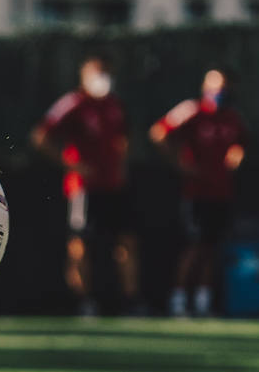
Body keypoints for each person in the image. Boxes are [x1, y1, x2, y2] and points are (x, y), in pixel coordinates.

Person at [30, 55, 142, 316]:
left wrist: (121, 163)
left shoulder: (115, 105)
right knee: (80, 244)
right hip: (84, 188)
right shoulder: (73, 104)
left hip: (115, 186)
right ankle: (84, 302)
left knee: (126, 242)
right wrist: (72, 166)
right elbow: (40, 137)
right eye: (96, 73)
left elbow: (125, 138)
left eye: (106, 72)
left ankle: (131, 301)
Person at [150, 67, 247, 318]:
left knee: (212, 247)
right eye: (215, 86)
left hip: (222, 190)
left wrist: (236, 156)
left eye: (224, 87)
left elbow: (240, 144)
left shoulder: (232, 118)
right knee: (195, 245)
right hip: (197, 191)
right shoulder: (192, 110)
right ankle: (179, 300)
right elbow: (159, 132)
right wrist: (180, 163)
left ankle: (203, 301)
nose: (219, 92)